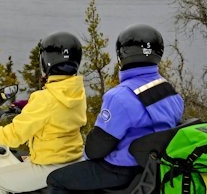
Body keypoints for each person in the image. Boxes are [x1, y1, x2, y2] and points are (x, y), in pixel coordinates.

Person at [46, 24, 184, 193]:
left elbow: (96, 149)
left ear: (122, 56)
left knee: (56, 179)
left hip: (122, 170)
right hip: (153, 168)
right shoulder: (170, 91)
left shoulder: (120, 97)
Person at [0, 31, 87, 194]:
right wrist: (28, 105)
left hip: (49, 165)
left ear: (46, 61)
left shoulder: (45, 99)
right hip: (72, 158)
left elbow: (13, 135)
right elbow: (58, 110)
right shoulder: (76, 91)